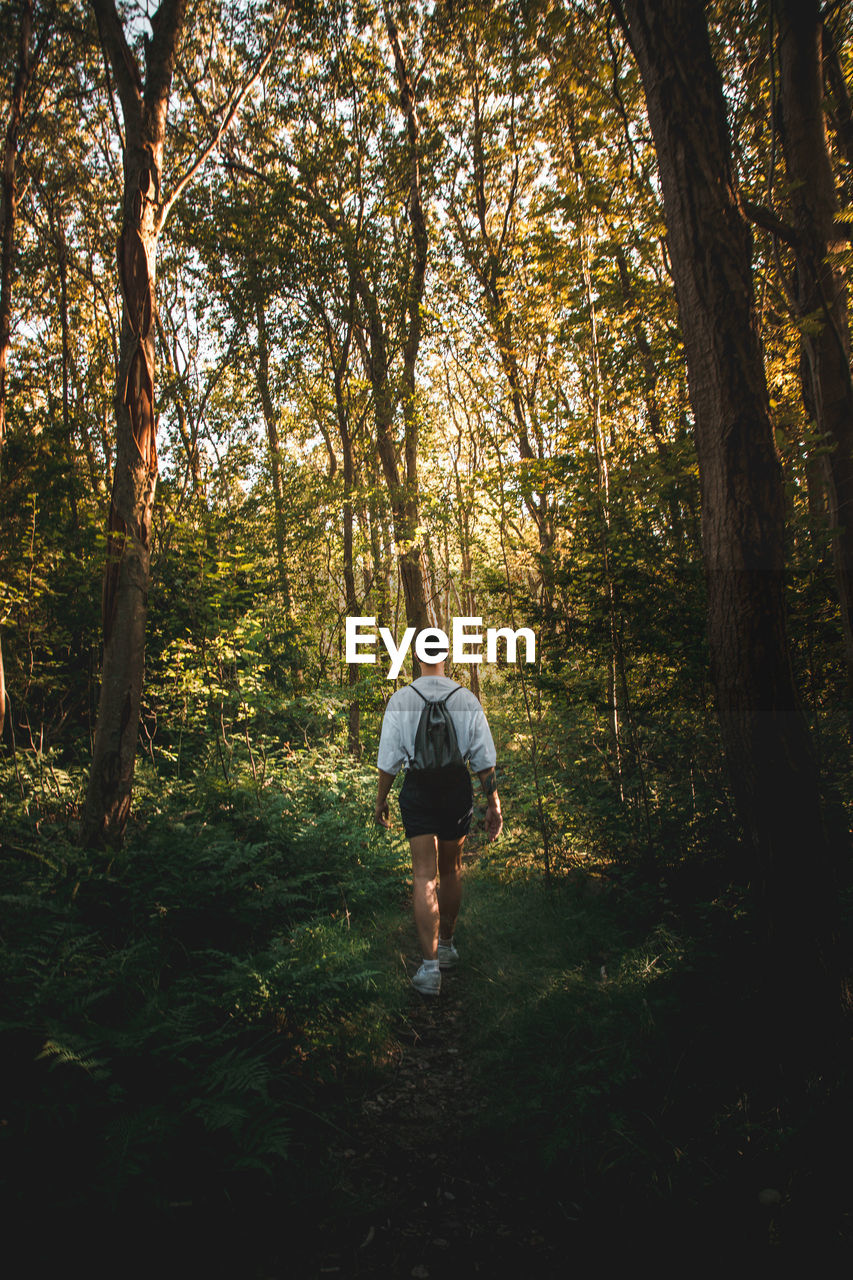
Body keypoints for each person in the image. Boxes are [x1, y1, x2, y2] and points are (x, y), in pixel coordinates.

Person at [374, 653, 503, 995]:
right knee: (451, 870)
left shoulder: (401, 699)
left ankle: (430, 970)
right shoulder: (465, 697)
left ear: (416, 656)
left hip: (418, 786)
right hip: (455, 787)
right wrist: (494, 803)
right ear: (447, 656)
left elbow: (389, 760)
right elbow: (483, 758)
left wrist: (380, 799)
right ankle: (446, 946)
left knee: (422, 875)